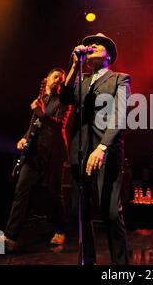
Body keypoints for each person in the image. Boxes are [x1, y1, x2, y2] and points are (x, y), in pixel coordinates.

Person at [60, 33, 131, 265]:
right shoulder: (81, 80)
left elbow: (120, 115)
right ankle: (87, 260)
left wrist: (102, 147)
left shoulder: (120, 78)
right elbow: (64, 97)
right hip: (80, 151)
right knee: (81, 212)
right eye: (89, 44)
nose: (91, 46)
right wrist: (74, 65)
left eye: (98, 45)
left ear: (108, 54)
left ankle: (121, 267)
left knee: (110, 212)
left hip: (106, 151)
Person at [0, 68, 72, 251]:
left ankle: (61, 230)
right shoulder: (39, 100)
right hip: (34, 152)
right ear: (47, 78)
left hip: (53, 154)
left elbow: (58, 126)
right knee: (21, 190)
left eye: (61, 79)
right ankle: (10, 237)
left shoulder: (63, 101)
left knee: (53, 194)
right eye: (55, 77)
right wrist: (24, 137)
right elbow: (34, 125)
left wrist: (39, 112)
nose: (58, 81)